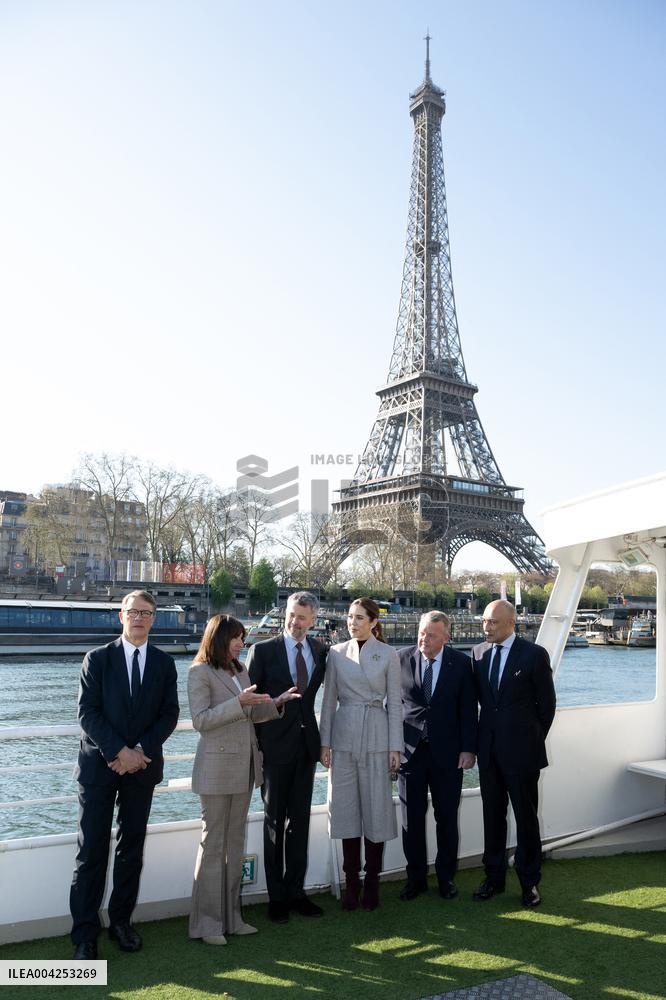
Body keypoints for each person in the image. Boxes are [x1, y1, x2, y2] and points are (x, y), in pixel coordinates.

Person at [69, 590, 179, 960]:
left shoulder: (164, 664)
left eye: (146, 613)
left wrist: (139, 752)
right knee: (91, 851)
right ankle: (85, 935)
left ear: (154, 619)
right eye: (133, 612)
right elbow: (87, 713)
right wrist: (120, 752)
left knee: (131, 849)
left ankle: (121, 923)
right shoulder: (97, 659)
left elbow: (169, 714)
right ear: (121, 615)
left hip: (141, 769)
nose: (139, 618)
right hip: (99, 768)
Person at [188, 614, 300, 945]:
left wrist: (275, 703)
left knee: (235, 845)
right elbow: (201, 720)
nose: (241, 643)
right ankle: (207, 924)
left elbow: (249, 714)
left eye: (242, 637)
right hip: (216, 770)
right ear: (219, 638)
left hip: (245, 767)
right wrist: (238, 702)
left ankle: (232, 918)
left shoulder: (239, 670)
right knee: (213, 845)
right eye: (236, 637)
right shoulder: (199, 672)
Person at [246, 592, 327, 923]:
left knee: (300, 822)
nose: (295, 621)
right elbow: (250, 703)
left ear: (313, 620)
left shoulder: (320, 651)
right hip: (273, 748)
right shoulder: (263, 651)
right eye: (292, 615)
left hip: (306, 748)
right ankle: (276, 897)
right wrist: (257, 748)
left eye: (302, 617)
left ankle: (297, 892)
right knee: (274, 823)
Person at [471, 599, 556, 907]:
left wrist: (529, 740)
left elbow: (547, 706)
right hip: (489, 754)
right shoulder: (478, 654)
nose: (486, 627)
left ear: (511, 623)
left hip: (522, 754)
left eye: (493, 622)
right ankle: (493, 878)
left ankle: (529, 883)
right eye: (484, 621)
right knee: (492, 818)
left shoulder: (534, 654)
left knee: (526, 819)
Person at [319, 598, 403, 911]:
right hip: (343, 737)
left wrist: (395, 746)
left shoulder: (389, 654)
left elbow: (395, 703)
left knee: (376, 809)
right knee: (346, 810)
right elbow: (328, 700)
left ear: (373, 622)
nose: (352, 623)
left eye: (359, 618)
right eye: (350, 617)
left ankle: (373, 882)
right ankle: (351, 881)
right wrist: (324, 743)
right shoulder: (336, 653)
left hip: (378, 736)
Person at [398, 611, 477, 901]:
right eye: (421, 633)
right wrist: (392, 748)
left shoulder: (462, 664)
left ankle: (446, 878)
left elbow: (468, 709)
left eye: (431, 635)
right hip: (410, 753)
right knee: (411, 820)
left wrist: (469, 749)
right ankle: (415, 879)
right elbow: (392, 706)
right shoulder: (400, 659)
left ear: (446, 637)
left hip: (449, 754)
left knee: (446, 818)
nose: (424, 639)